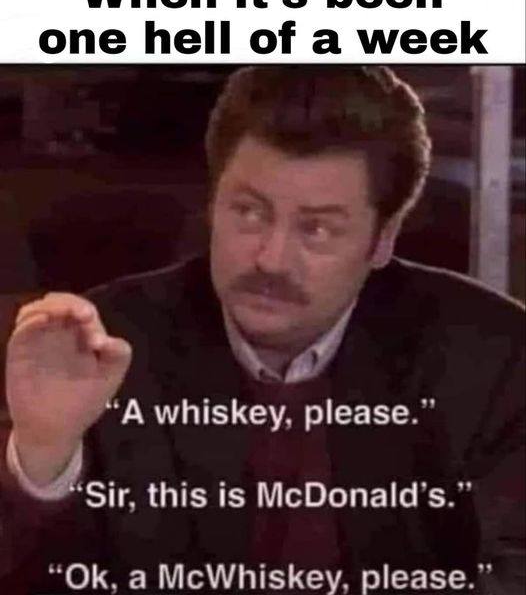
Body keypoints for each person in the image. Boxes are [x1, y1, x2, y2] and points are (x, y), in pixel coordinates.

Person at [0, 67, 524, 594]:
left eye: (317, 228)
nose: (271, 259)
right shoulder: (100, 346)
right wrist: (43, 457)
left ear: (383, 238)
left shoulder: (495, 358)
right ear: (214, 203)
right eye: (249, 212)